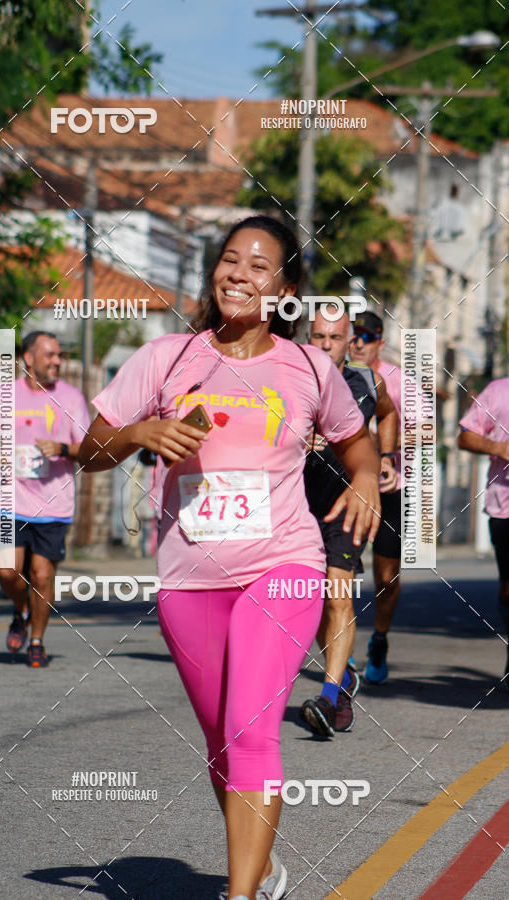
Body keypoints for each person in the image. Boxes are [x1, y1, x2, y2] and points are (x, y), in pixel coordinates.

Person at [79, 215, 381, 900]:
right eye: (228, 260)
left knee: (251, 726)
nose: (238, 274)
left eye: (258, 264)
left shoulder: (307, 367)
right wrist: (136, 431)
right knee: (223, 743)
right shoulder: (166, 358)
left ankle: (239, 894)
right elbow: (91, 452)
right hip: (189, 579)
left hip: (284, 563)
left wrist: (364, 478)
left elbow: (355, 443)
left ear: (285, 288)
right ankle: (263, 869)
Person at [300, 305, 398, 736]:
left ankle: (328, 696)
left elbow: (389, 412)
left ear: (349, 342)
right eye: (318, 336)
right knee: (317, 602)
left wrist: (388, 457)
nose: (325, 345)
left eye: (334, 338)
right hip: (297, 505)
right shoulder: (289, 377)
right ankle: (341, 680)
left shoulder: (365, 381)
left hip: (347, 505)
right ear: (309, 335)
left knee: (337, 595)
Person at [0, 331, 89, 668]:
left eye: (59, 355)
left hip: (53, 503)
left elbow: (90, 448)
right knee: (8, 574)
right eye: (49, 355)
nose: (57, 361)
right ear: (28, 359)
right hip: (9, 500)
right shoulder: (5, 395)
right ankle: (20, 609)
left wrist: (63, 449)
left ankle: (36, 639)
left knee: (41, 575)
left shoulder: (72, 398)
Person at [349, 311, 404, 683]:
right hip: (346, 487)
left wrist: (379, 448)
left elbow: (421, 433)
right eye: (353, 335)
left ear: (380, 342)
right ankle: (342, 655)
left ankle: (379, 639)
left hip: (389, 489)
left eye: (366, 337)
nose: (358, 342)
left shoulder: (400, 381)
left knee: (386, 577)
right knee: (341, 574)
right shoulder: (333, 374)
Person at [458, 377, 509, 683]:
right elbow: (465, 437)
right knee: (508, 587)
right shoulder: (498, 391)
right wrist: (497, 447)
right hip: (505, 507)